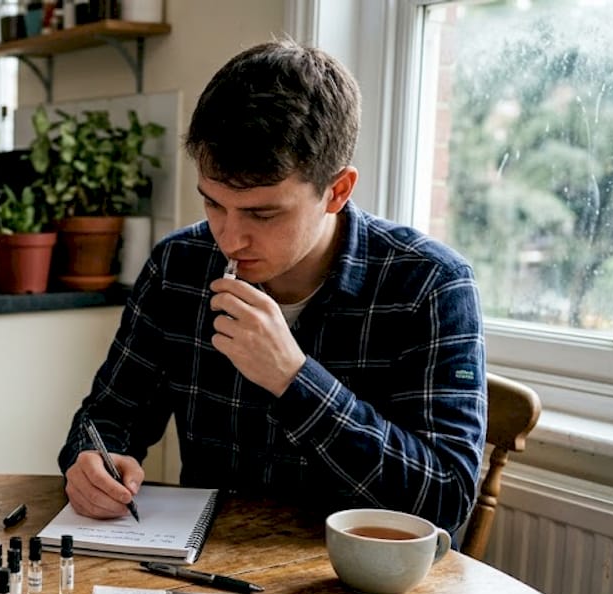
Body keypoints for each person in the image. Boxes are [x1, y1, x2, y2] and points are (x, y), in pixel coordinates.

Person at [58, 39, 486, 534]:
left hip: (351, 588)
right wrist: (92, 461)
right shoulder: (179, 266)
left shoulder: (430, 285)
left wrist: (293, 377)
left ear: (337, 191)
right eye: (213, 204)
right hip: (204, 571)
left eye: (263, 213)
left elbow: (446, 502)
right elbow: (109, 414)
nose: (230, 237)